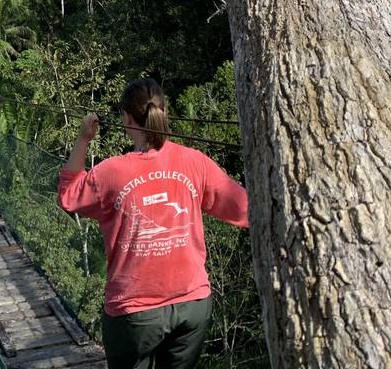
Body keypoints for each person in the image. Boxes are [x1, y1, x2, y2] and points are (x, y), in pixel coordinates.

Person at [57, 77, 248, 369]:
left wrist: (83, 139)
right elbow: (244, 207)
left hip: (134, 312)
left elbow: (68, 196)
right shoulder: (195, 162)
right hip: (192, 303)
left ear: (126, 118)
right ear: (164, 111)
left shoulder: (109, 173)